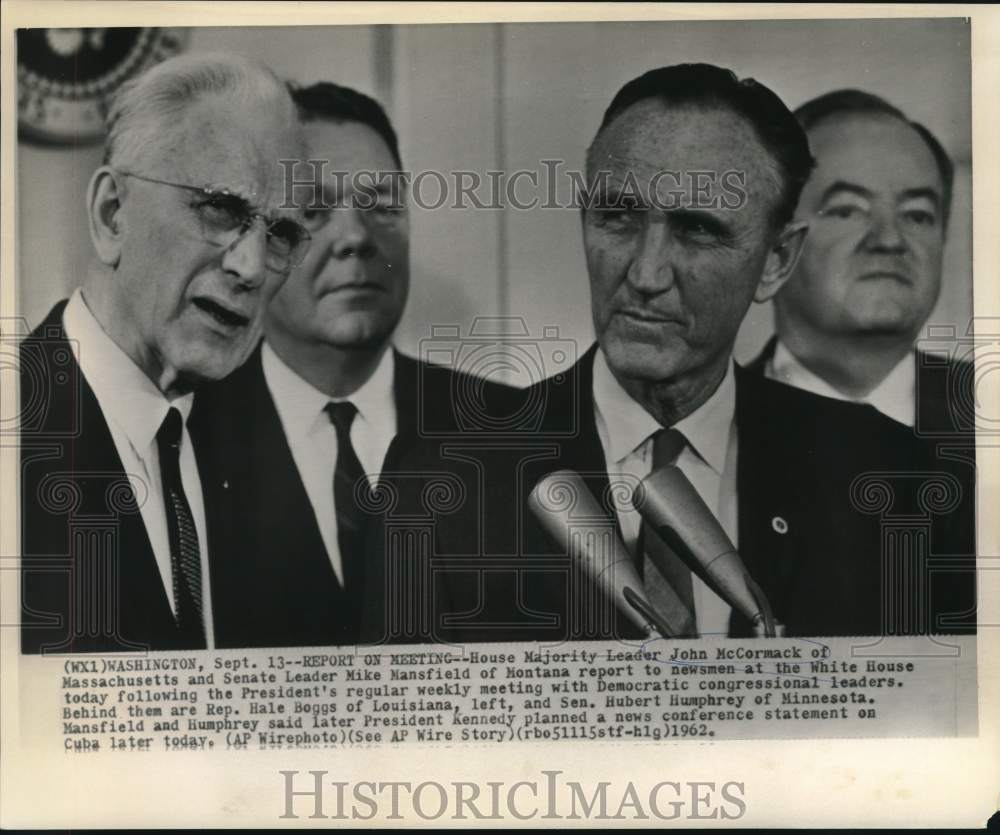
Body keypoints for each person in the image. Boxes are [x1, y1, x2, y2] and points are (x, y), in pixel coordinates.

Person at [412, 64, 975, 642]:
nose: (646, 273)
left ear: (777, 261)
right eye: (617, 218)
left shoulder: (892, 475)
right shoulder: (445, 473)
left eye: (697, 230)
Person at [191, 82, 517, 648]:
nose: (356, 238)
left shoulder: (506, 430)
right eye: (313, 209)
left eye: (383, 206)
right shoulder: (186, 438)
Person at [19, 52, 311, 653]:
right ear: (112, 215)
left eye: (279, 233)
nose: (251, 268)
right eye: (222, 209)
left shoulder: (265, 452)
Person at [752, 89, 973, 433]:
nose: (889, 240)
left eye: (917, 215)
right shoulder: (700, 425)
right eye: (847, 211)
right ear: (773, 247)